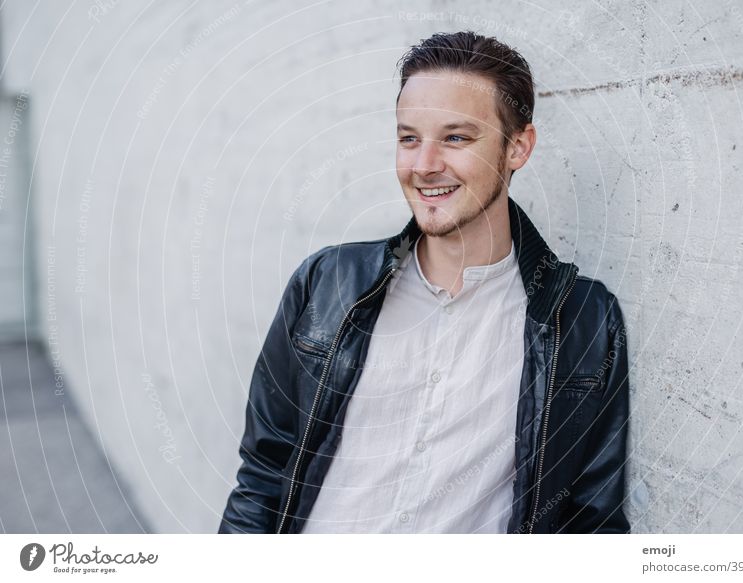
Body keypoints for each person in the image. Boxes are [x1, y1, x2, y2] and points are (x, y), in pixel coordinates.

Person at [219, 30, 630, 534]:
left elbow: (590, 523)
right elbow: (263, 473)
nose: (423, 165)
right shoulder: (326, 284)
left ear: (518, 147)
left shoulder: (582, 321)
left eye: (456, 138)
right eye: (409, 138)